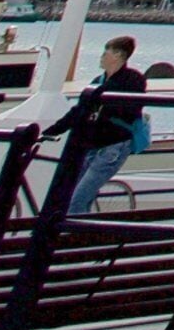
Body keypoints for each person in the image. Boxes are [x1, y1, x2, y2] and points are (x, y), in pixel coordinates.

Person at [47, 35, 153, 215]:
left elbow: (130, 110)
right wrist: (51, 131)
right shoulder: (98, 81)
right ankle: (81, 234)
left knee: (76, 201)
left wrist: (101, 104)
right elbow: (79, 111)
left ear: (118, 55)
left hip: (114, 147)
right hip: (92, 146)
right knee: (72, 197)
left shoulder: (132, 80)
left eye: (106, 52)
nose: (101, 57)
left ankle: (74, 238)